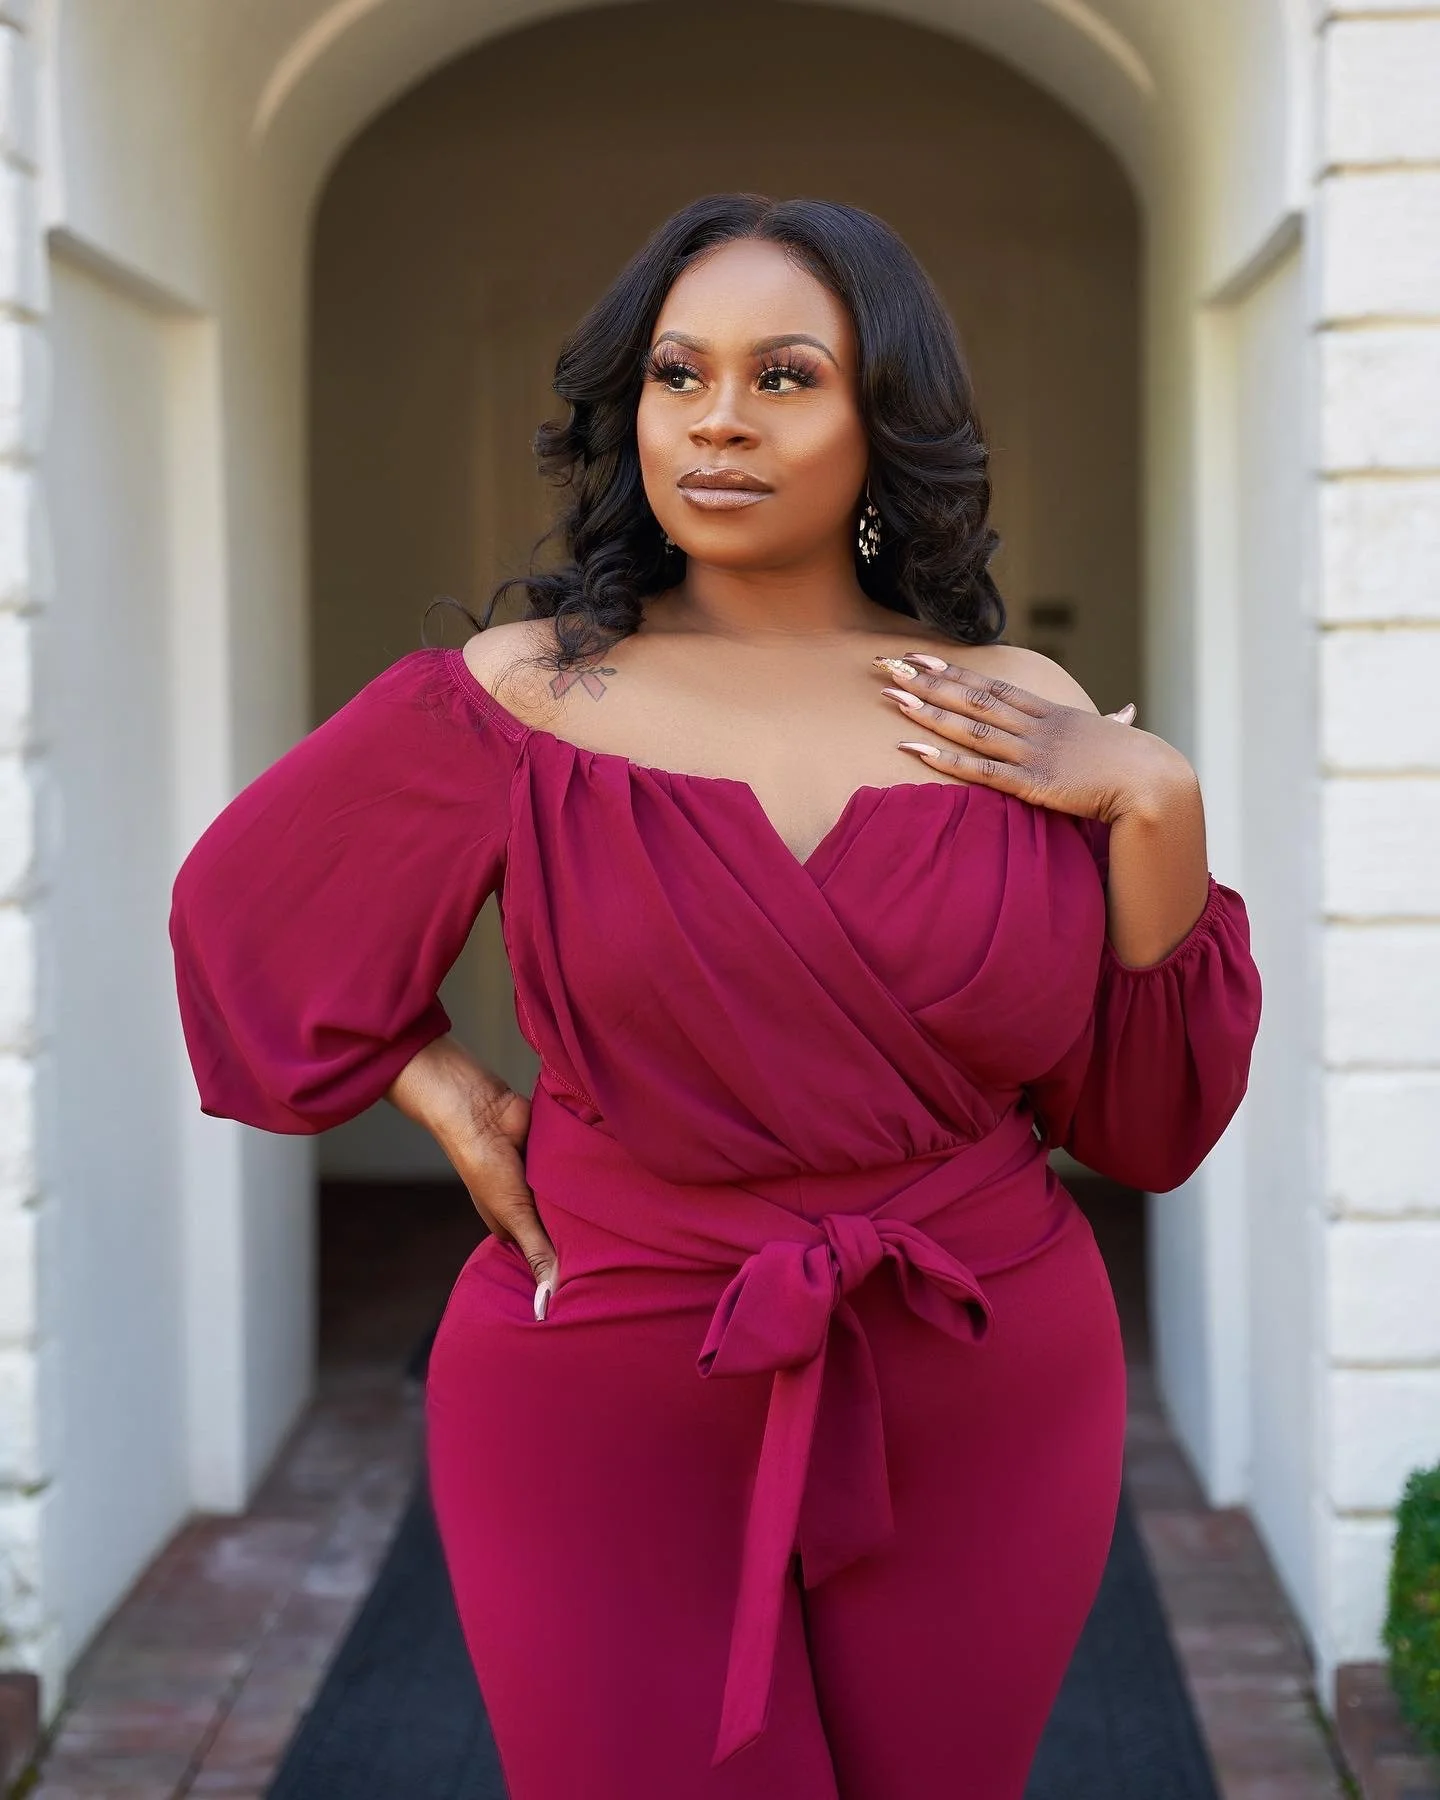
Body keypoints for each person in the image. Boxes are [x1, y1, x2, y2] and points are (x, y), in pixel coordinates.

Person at [168, 193, 1263, 1800]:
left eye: (786, 375)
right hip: (601, 1361)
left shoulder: (1012, 713)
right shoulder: (531, 692)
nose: (719, 422)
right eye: (680, 374)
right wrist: (447, 1091)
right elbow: (244, 911)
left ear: (886, 418)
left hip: (986, 1369)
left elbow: (1150, 1123)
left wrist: (1155, 799)